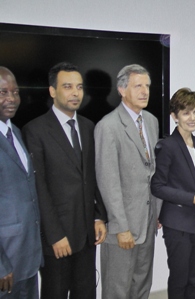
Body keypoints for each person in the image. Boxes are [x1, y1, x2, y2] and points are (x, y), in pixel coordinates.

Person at [22, 62, 107, 298]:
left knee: (86, 292)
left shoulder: (90, 127)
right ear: (52, 91)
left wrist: (98, 215)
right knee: (55, 292)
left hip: (87, 234)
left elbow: (92, 177)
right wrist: (54, 235)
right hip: (57, 237)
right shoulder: (34, 130)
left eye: (79, 87)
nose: (75, 93)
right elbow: (38, 188)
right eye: (67, 86)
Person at [95, 64, 160, 299]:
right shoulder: (108, 126)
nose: (145, 91)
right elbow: (107, 183)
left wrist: (157, 212)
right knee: (117, 289)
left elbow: (152, 172)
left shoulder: (151, 121)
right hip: (123, 226)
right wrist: (121, 227)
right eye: (138, 86)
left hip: (147, 222)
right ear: (122, 90)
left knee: (142, 284)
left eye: (147, 86)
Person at [151, 88, 195, 299]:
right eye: (186, 112)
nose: (192, 118)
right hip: (177, 223)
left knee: (193, 278)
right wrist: (192, 199)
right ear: (174, 116)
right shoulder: (167, 146)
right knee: (179, 279)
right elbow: (157, 186)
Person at [0, 67, 42, 298]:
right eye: (3, 92)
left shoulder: (15, 131)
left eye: (15, 92)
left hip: (27, 256)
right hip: (5, 261)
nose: (11, 99)